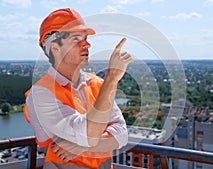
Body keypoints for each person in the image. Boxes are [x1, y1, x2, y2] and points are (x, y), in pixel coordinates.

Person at [24, 8, 133, 169]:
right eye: (76, 39)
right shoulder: (40, 95)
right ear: (55, 48)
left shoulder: (97, 84)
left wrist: (80, 146)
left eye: (86, 38)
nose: (87, 44)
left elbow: (122, 135)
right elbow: (88, 134)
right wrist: (112, 78)